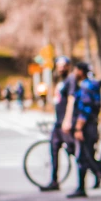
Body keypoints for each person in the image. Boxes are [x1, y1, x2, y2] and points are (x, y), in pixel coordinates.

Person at [66, 62, 101, 199]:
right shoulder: (89, 84)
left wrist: (79, 127)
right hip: (91, 125)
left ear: (81, 71)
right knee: (84, 157)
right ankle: (81, 187)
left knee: (88, 158)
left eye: (76, 70)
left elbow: (86, 108)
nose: (74, 73)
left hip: (87, 127)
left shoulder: (86, 86)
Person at [40, 57, 77, 192]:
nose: (61, 68)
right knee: (54, 148)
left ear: (68, 66)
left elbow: (72, 100)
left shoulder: (71, 80)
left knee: (76, 152)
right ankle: (54, 181)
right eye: (59, 66)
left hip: (65, 123)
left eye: (64, 66)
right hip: (58, 123)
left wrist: (68, 120)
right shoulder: (60, 81)